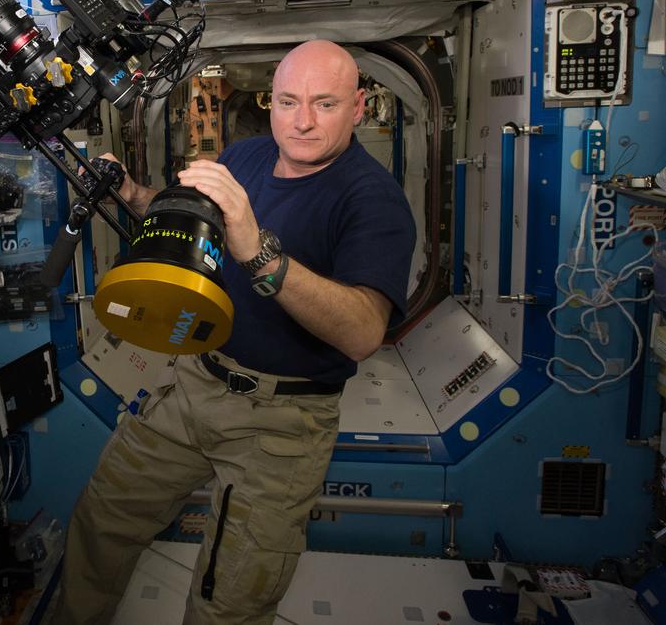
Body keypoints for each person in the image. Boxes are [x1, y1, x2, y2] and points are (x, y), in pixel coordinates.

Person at [54, 39, 417, 625]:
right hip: (197, 384)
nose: (301, 121)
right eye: (288, 101)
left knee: (230, 601)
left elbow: (362, 332)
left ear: (357, 106)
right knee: (102, 520)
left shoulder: (374, 201)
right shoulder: (246, 156)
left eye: (324, 104)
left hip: (283, 424)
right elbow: (186, 219)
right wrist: (129, 192)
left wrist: (260, 255)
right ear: (268, 102)